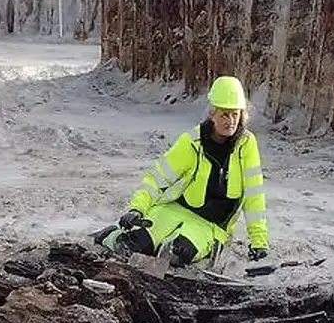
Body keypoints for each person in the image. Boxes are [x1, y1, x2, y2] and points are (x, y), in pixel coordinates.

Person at [106, 75, 270, 269]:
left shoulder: (247, 145)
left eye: (235, 114)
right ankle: (106, 237)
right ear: (212, 113)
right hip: (171, 211)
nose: (231, 121)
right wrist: (137, 208)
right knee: (131, 244)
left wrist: (259, 241)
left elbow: (254, 194)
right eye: (224, 114)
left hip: (209, 226)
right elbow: (158, 178)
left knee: (176, 253)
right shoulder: (192, 141)